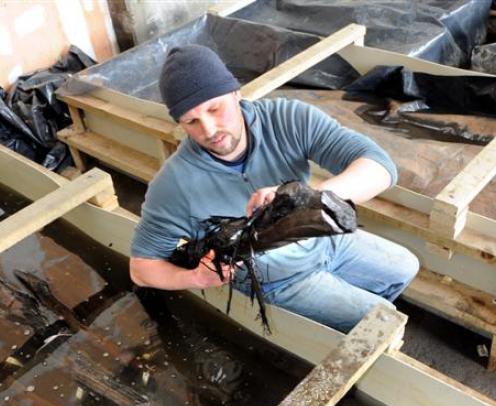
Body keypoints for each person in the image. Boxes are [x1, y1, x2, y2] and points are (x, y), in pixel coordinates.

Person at [130, 45, 419, 332]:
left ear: (235, 93)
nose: (209, 130)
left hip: (324, 238)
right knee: (383, 321)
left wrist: (304, 199)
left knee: (405, 267)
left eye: (215, 109)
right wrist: (195, 279)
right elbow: (141, 268)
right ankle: (341, 330)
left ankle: (344, 323)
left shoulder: (287, 119)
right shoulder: (173, 186)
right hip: (276, 278)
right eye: (191, 121)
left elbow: (380, 166)